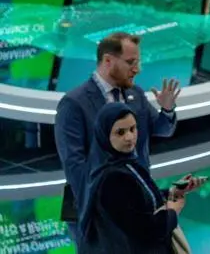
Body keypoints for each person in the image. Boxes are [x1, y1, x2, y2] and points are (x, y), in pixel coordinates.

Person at [55, 34, 181, 243]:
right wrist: (103, 210)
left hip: (138, 205)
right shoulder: (74, 103)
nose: (137, 69)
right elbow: (74, 165)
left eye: (138, 62)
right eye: (131, 62)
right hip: (98, 213)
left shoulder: (136, 95)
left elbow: (161, 130)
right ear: (108, 60)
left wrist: (167, 110)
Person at [76, 103, 190, 254]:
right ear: (105, 134)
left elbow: (139, 200)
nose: (129, 137)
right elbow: (145, 231)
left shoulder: (125, 163)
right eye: (120, 132)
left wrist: (172, 192)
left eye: (132, 129)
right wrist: (173, 212)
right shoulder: (112, 179)